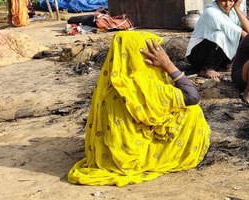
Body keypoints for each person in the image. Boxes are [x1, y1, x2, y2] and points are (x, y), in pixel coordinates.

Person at [68, 32, 211, 186]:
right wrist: (168, 64)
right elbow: (192, 97)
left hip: (111, 155)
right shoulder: (146, 87)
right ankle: (170, 154)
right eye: (155, 50)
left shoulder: (110, 85)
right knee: (193, 112)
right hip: (135, 158)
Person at [185, 0, 249, 80]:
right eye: (223, 1)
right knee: (220, 35)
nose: (227, 4)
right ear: (217, 0)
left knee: (235, 36)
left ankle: (224, 65)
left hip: (215, 55)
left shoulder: (232, 10)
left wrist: (237, 8)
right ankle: (206, 69)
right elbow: (241, 33)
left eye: (231, 0)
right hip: (197, 55)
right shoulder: (212, 12)